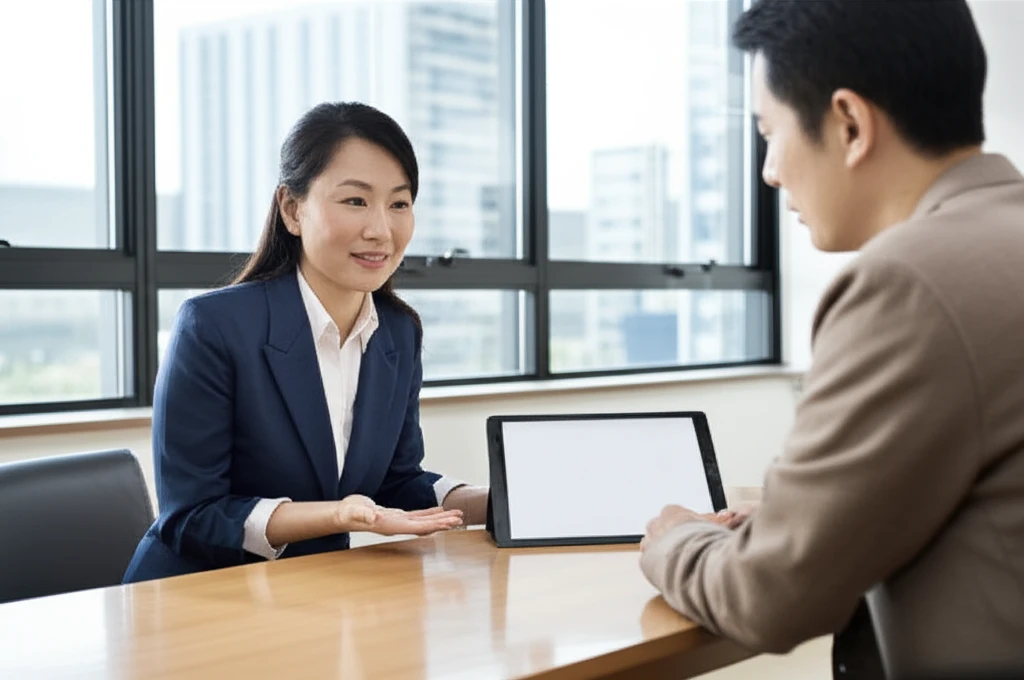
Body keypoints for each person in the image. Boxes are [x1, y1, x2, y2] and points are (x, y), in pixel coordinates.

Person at [639, 1, 1024, 678]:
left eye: (770, 131)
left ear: (848, 123)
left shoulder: (910, 281)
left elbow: (769, 597)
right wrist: (804, 513)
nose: (769, 170)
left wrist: (675, 540)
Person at [124, 102, 489, 583]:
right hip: (195, 595)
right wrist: (338, 516)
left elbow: (396, 479)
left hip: (315, 591)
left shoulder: (398, 331)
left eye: (399, 204)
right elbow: (192, 516)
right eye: (356, 201)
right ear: (292, 210)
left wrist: (495, 499)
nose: (381, 229)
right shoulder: (214, 325)